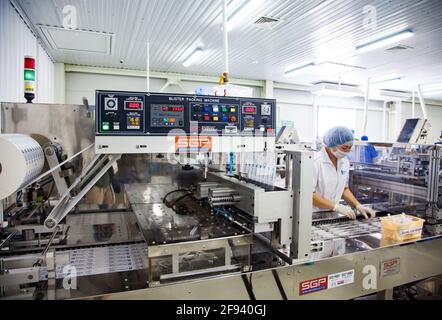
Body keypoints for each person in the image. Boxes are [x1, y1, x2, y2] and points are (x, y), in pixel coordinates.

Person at [313, 126, 376, 219]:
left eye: (350, 148)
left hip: (332, 214)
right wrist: (336, 206)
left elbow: (344, 189)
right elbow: (309, 194)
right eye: (344, 147)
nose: (347, 152)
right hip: (313, 214)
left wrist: (358, 206)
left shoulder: (344, 162)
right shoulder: (315, 161)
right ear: (332, 145)